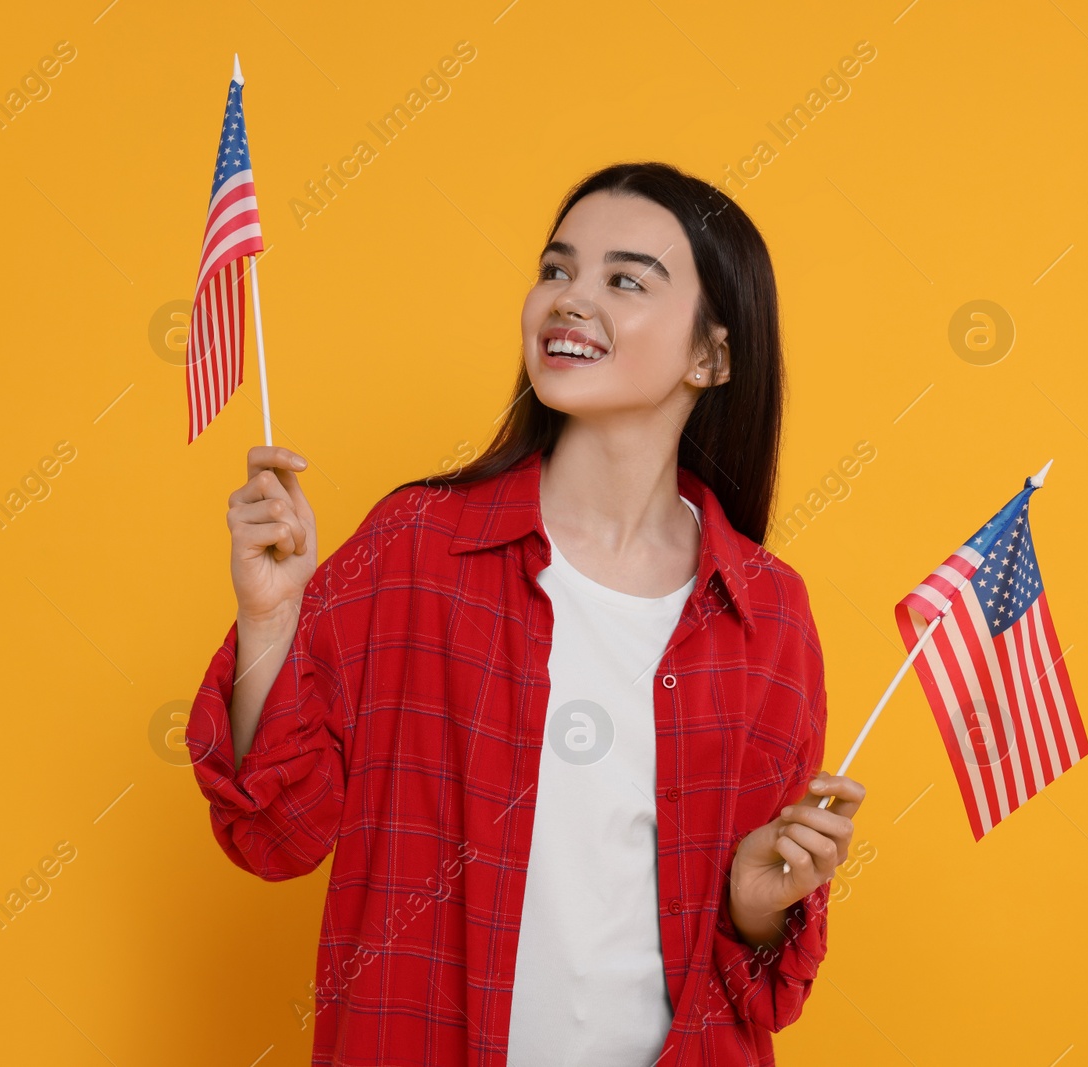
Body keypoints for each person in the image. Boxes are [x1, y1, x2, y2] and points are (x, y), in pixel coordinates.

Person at [186, 160, 866, 1067]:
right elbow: (275, 833)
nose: (570, 299)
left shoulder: (768, 612)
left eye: (624, 279)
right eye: (557, 269)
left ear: (712, 354)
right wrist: (271, 620)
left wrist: (753, 904)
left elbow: (757, 988)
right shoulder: (418, 546)